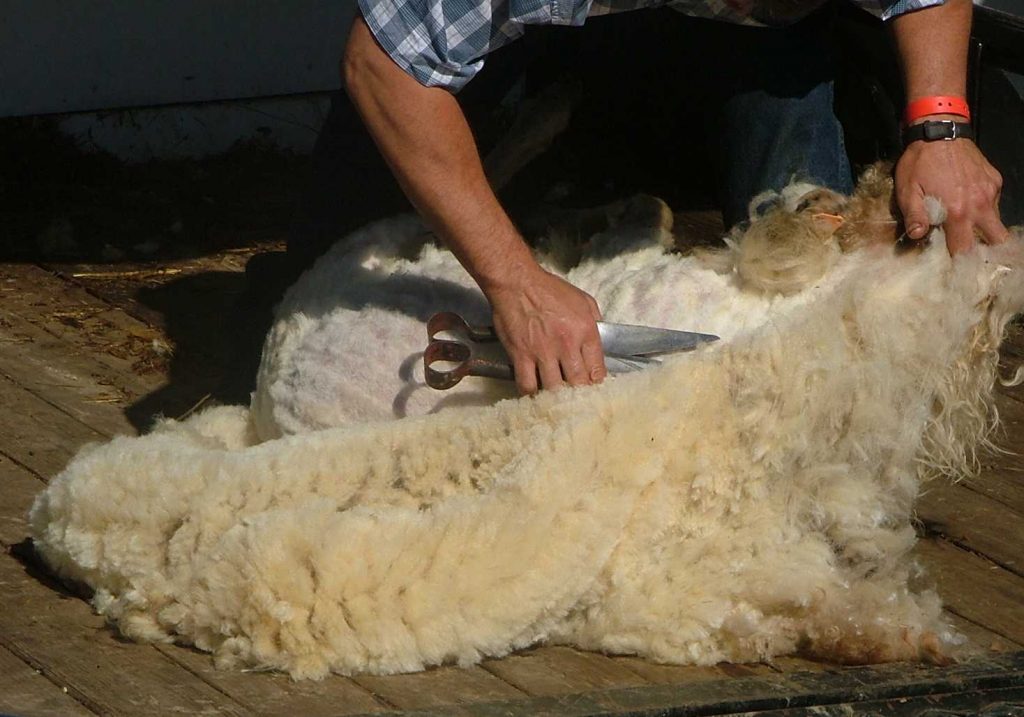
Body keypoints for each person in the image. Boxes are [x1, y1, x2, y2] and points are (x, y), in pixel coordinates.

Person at [338, 0, 1009, 395]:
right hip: (560, 36)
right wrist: (513, 282)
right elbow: (386, 66)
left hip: (769, 37)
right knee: (354, 309)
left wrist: (940, 123)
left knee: (805, 317)